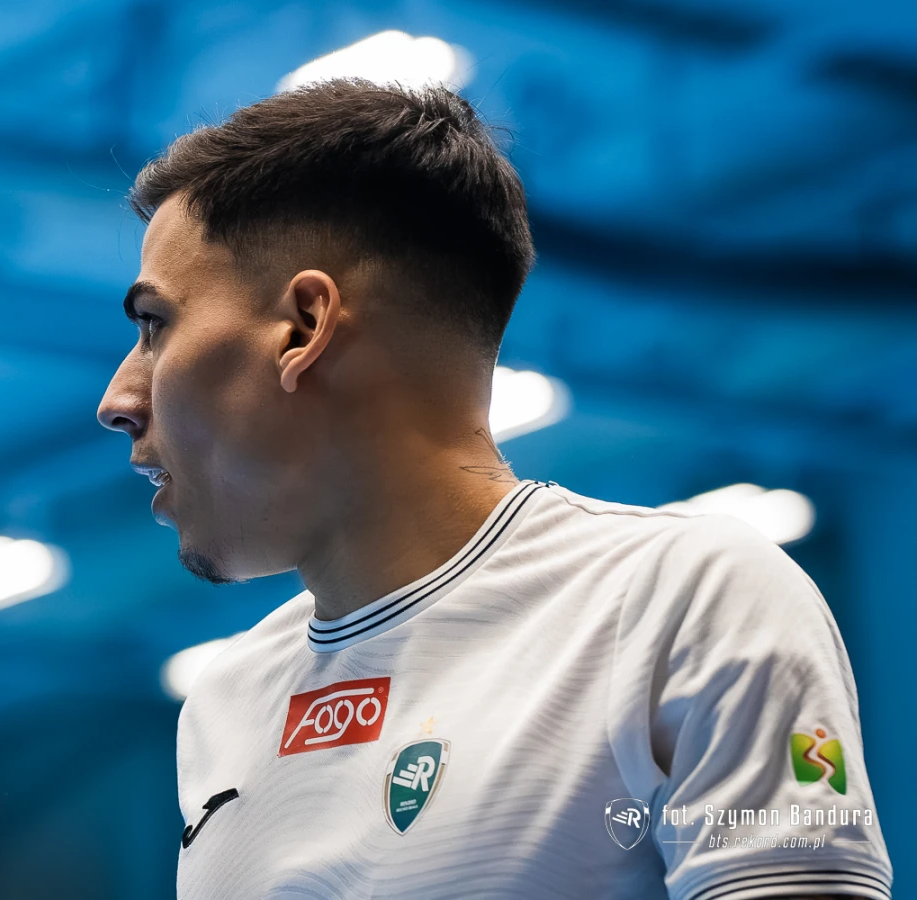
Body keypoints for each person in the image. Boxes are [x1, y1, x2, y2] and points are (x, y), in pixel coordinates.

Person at [95, 79, 892, 900]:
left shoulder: (678, 600)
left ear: (304, 326)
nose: (117, 400)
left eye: (154, 325)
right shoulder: (224, 704)